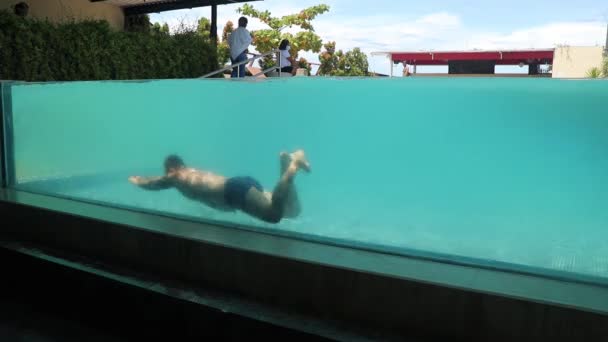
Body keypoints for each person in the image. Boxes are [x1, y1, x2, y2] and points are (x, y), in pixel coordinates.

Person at [128, 150, 311, 224]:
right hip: (238, 185)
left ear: (172, 168)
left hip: (234, 192)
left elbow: (155, 183)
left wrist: (138, 181)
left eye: (167, 171)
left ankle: (294, 165)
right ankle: (285, 163)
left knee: (273, 215)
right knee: (292, 211)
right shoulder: (189, 172)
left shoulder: (176, 176)